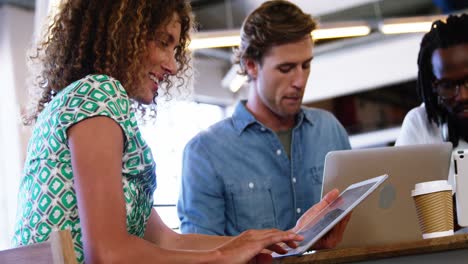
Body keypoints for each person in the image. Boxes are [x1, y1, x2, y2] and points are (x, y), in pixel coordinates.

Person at [12, 0, 348, 263]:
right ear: (125, 34)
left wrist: (272, 240)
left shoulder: (82, 102)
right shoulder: (98, 94)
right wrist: (222, 256)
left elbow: (167, 240)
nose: (173, 65)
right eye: (163, 42)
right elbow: (109, 254)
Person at [178, 0, 351, 237]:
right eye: (286, 68)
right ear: (251, 66)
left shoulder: (330, 129)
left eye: (305, 65)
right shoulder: (205, 153)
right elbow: (200, 255)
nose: (300, 80)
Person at [395, 14, 468, 186]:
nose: (463, 96)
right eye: (448, 86)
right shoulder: (420, 124)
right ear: (433, 87)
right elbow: (397, 196)